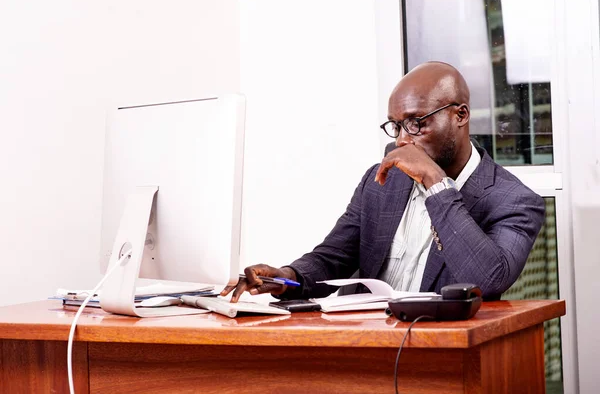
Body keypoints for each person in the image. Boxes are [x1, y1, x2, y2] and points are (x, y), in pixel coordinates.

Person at [222, 61, 545, 302]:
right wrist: (288, 277)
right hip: (371, 345)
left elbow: (486, 279)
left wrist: (436, 182)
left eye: (417, 123)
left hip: (444, 355)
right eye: (396, 126)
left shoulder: (514, 200)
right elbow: (333, 257)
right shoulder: (380, 182)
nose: (404, 140)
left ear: (460, 116)